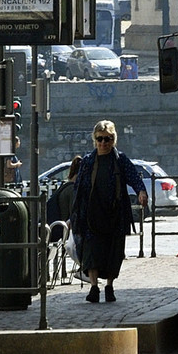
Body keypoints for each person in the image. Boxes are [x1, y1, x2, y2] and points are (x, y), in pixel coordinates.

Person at [70, 122, 146, 303]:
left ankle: (110, 287)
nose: (104, 143)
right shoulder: (88, 161)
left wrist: (141, 192)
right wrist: (74, 215)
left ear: (113, 140)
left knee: (114, 252)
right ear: (94, 140)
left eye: (108, 139)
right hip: (92, 215)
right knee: (92, 252)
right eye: (100, 139)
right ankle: (94, 287)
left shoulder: (120, 160)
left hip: (115, 214)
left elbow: (134, 177)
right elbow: (78, 189)